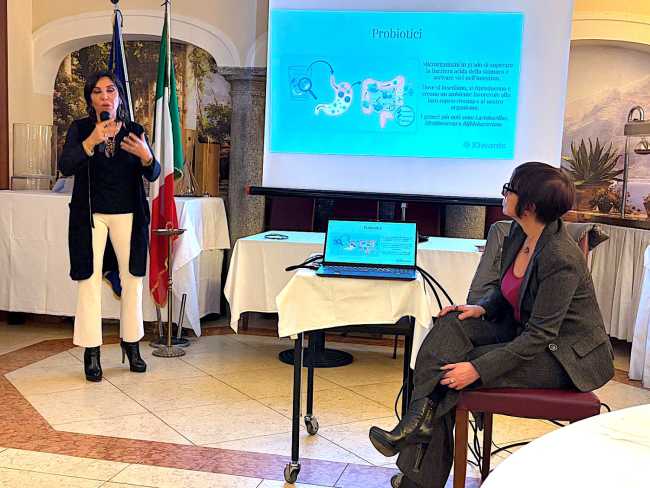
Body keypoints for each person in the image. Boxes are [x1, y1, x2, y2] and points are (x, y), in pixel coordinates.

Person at [369, 162, 614, 488]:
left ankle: (420, 471)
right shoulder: (518, 232)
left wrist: (477, 369)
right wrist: (481, 307)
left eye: (509, 189)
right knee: (451, 324)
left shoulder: (561, 258)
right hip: (522, 330)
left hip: (565, 356)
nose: (503, 193)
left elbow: (540, 335)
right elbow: (507, 288)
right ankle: (418, 420)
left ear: (529, 206)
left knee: (454, 374)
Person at [58, 70, 161, 382]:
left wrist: (146, 157)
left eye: (110, 90)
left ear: (119, 96)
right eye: (98, 92)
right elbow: (65, 166)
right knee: (88, 281)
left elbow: (154, 172)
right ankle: (92, 351)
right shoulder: (80, 129)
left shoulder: (134, 130)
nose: (105, 96)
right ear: (90, 99)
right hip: (91, 216)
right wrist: (91, 141)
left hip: (128, 214)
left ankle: (132, 343)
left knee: (132, 281)